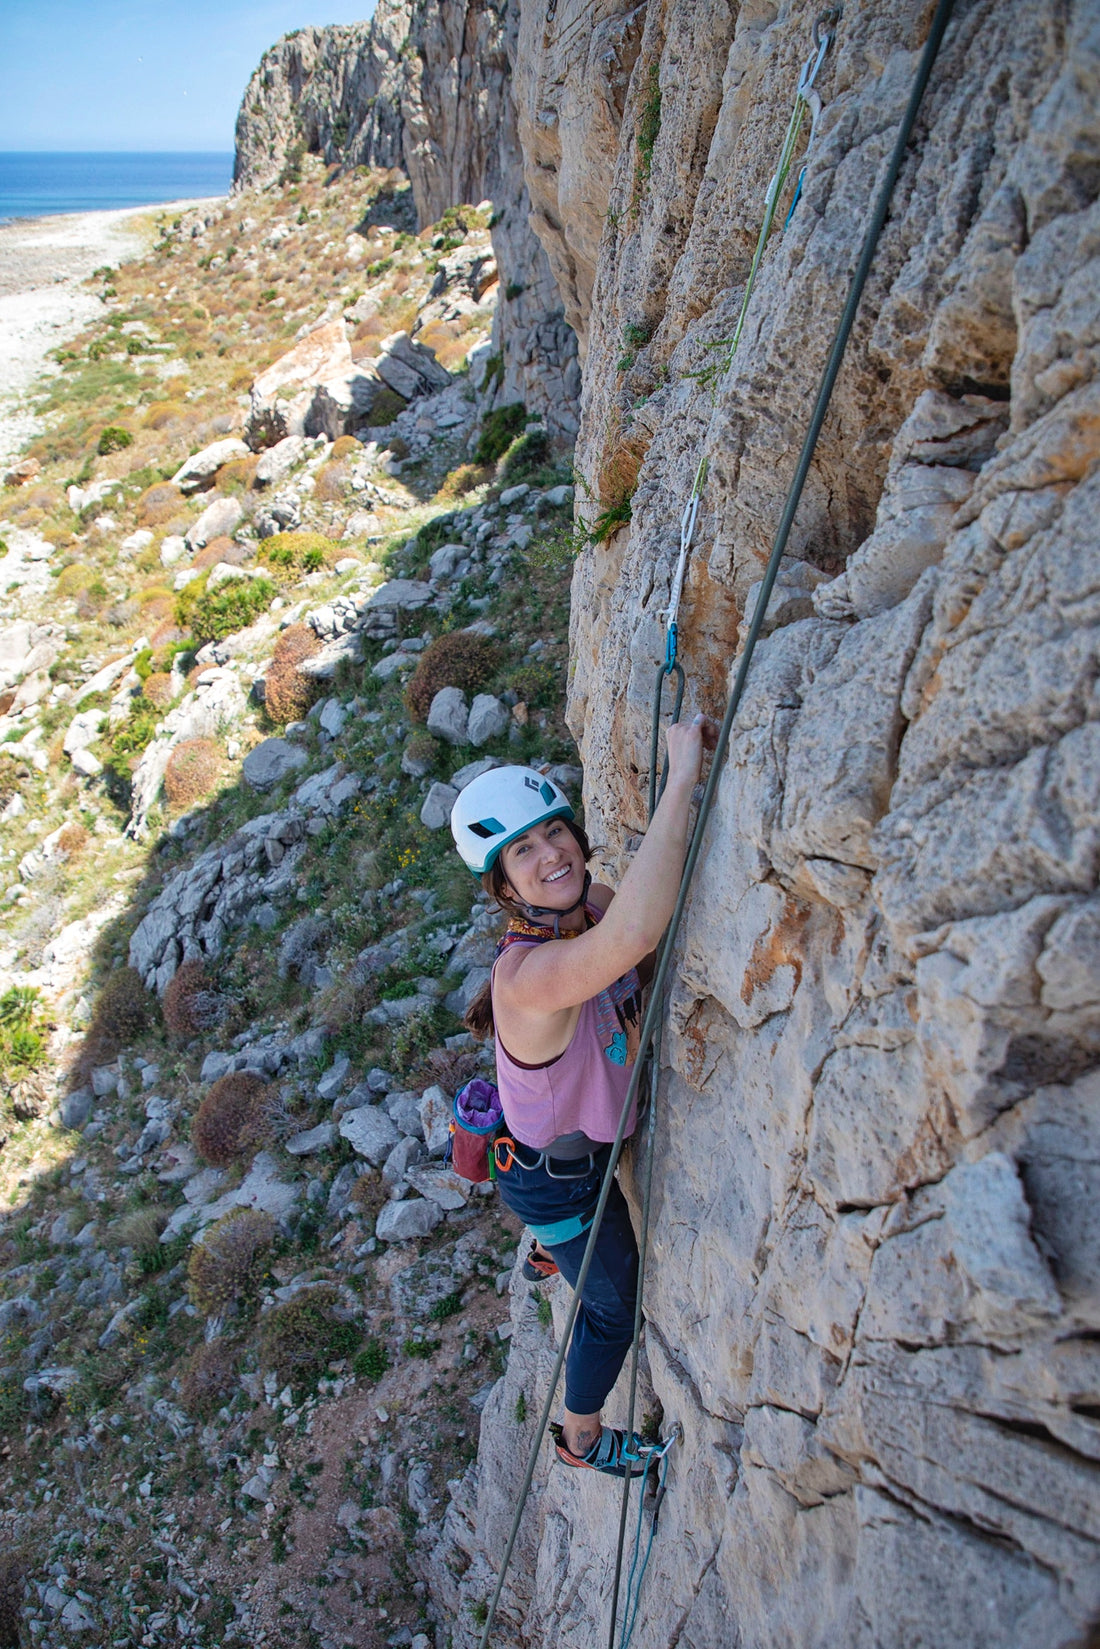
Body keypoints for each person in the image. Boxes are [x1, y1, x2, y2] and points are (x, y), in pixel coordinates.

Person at [450, 716, 715, 1478]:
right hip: (559, 1180)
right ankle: (581, 1438)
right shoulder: (527, 979)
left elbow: (627, 906)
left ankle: (547, 1249)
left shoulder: (585, 905)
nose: (550, 854)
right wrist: (683, 773)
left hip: (567, 1149)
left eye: (553, 832)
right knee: (612, 1309)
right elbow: (632, 935)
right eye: (523, 852)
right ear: (505, 889)